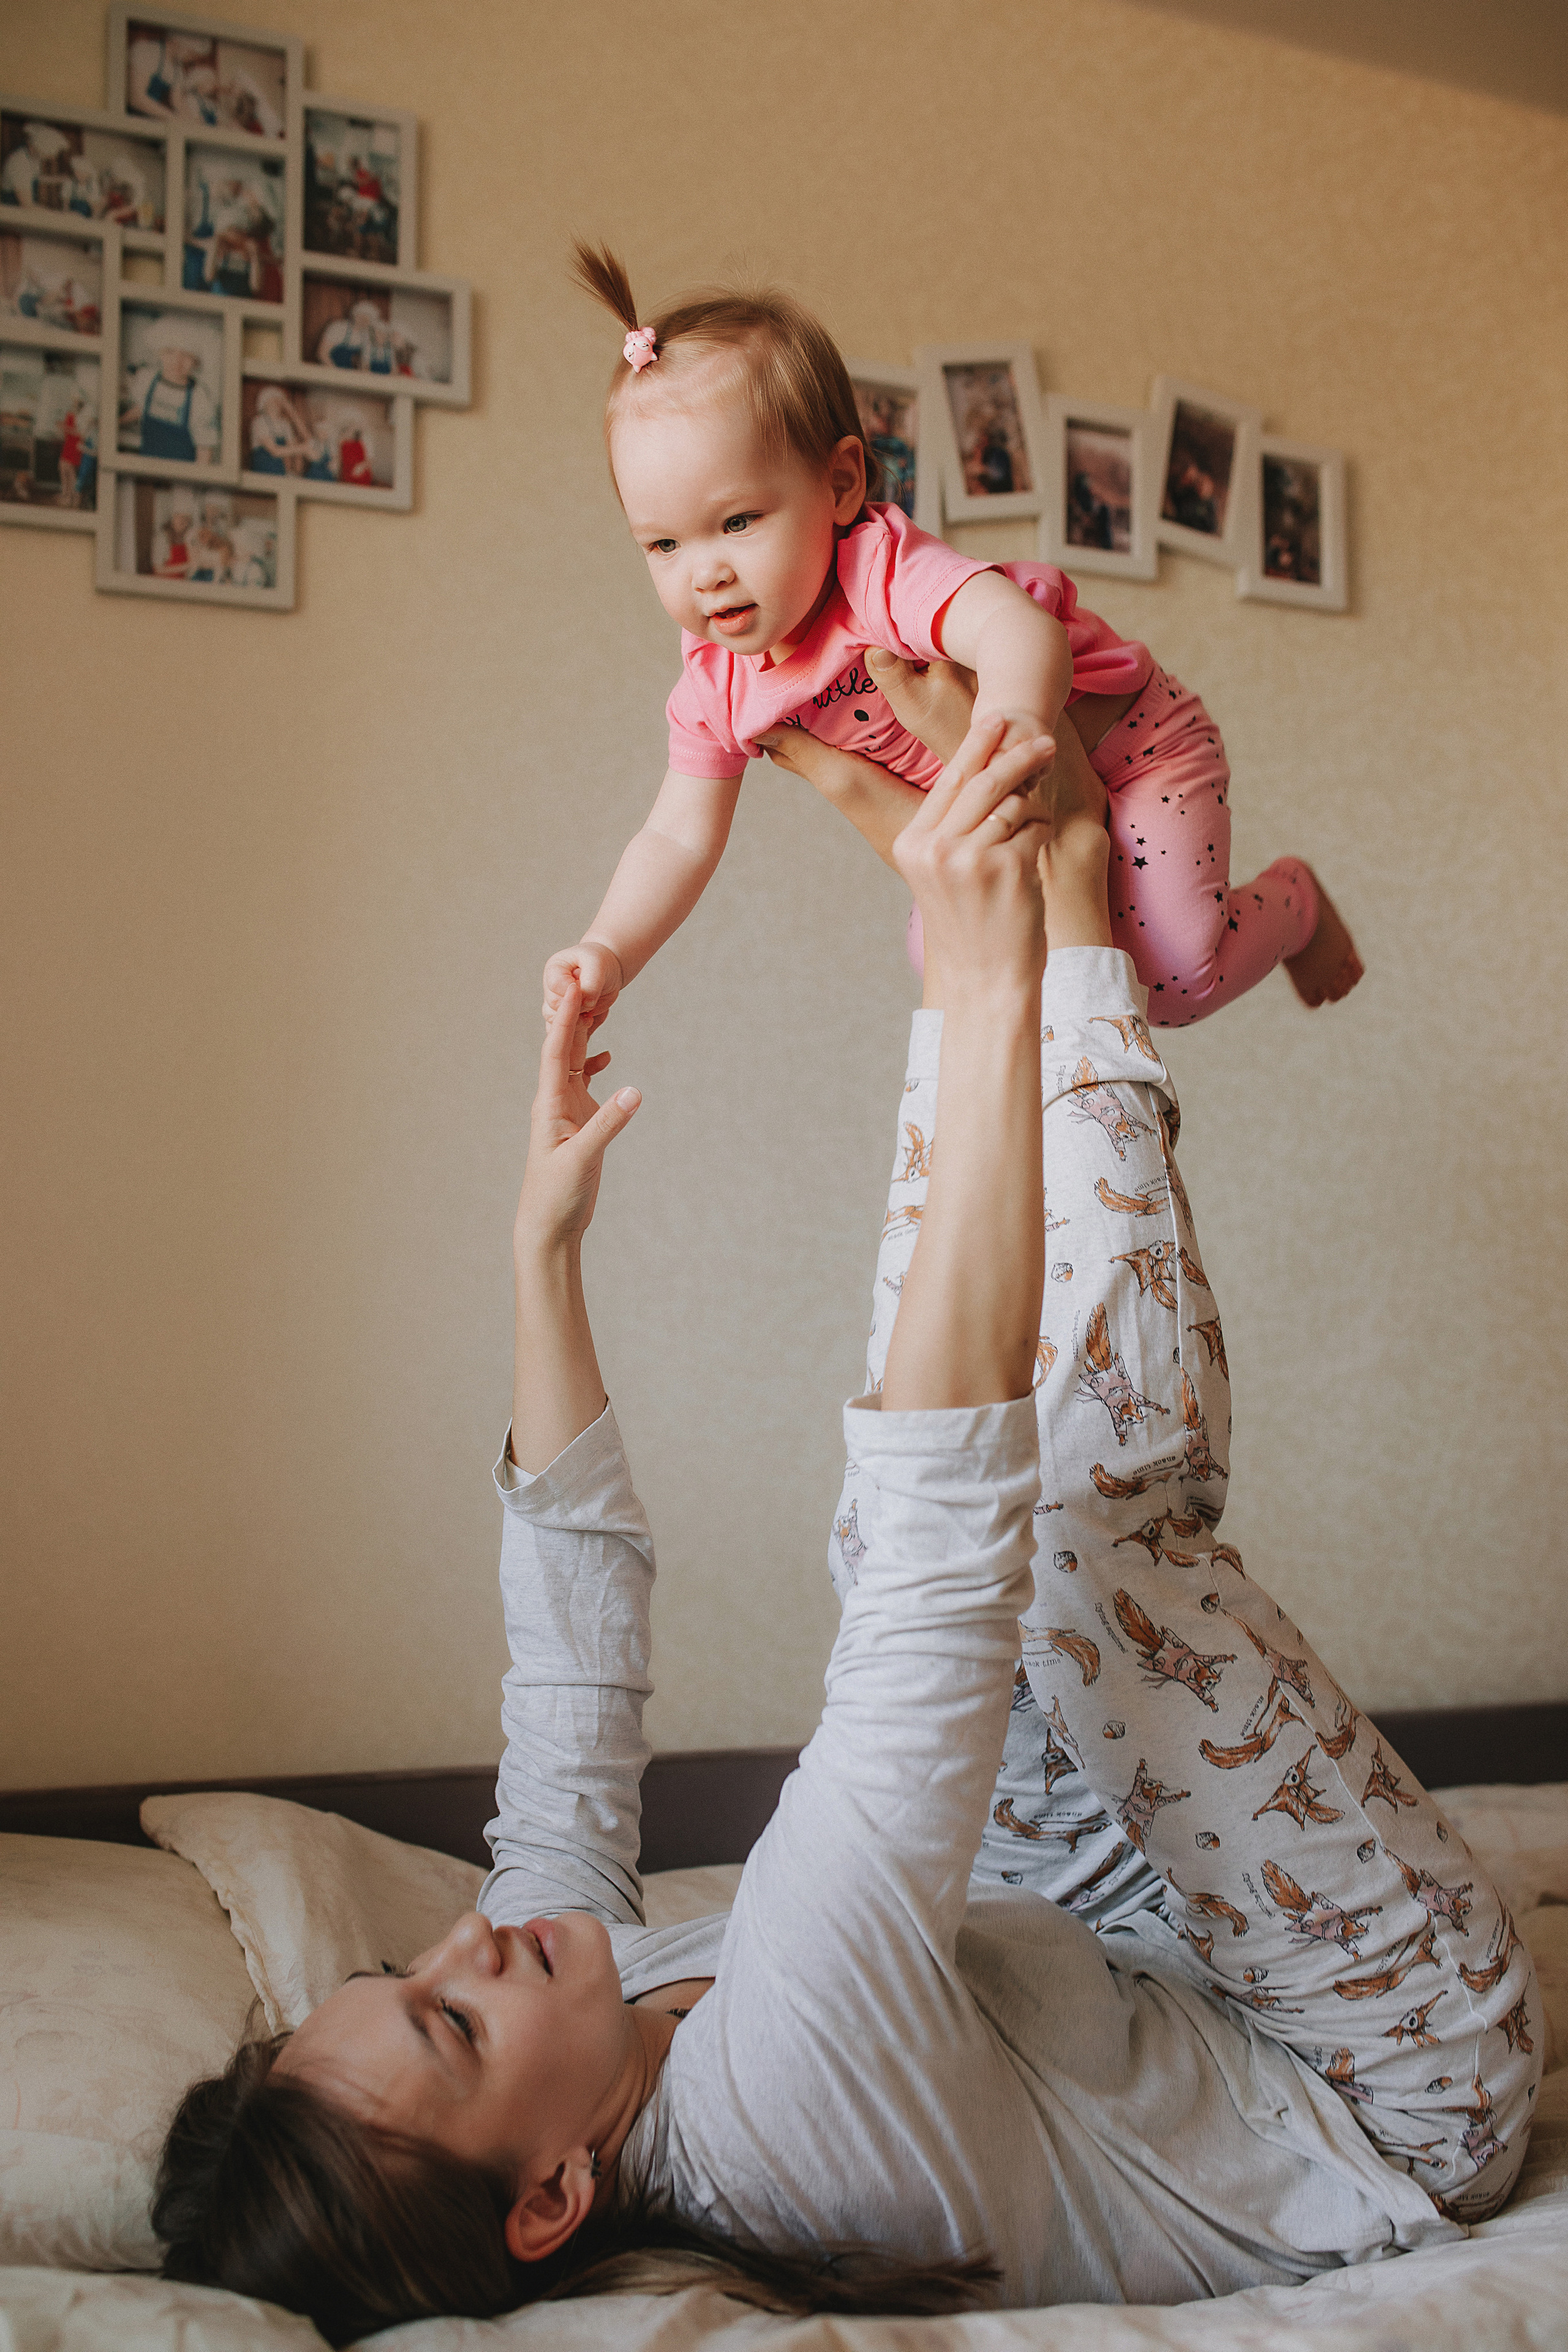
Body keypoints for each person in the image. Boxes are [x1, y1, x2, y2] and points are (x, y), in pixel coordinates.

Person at [153, 691, 1537, 2342]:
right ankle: (1058, 904)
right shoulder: (773, 2104)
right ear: (550, 2202)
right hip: (1380, 2080)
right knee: (1062, 1557)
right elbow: (934, 1608)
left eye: (405, 1977)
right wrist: (1003, 995)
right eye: (450, 2025)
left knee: (924, 1547)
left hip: (1106, 1964)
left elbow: (571, 1673)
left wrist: (540, 1251)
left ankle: (1005, 890)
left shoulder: (572, 2010)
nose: (467, 1941)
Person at [543, 249, 1363, 1052]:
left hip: (1131, 749)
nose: (705, 574)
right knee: (944, 961)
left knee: (1179, 977)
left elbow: (1016, 630)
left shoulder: (880, 575)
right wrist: (610, 950)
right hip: (1004, 813)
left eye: (737, 522)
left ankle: (1294, 904)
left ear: (840, 486)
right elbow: (677, 838)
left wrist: (1006, 725)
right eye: (662, 546)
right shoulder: (714, 684)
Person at [119, 339, 220, 464]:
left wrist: (197, 480)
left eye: (187, 355)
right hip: (147, 465)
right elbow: (141, 409)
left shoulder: (200, 397)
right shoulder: (150, 381)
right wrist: (117, 422)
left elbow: (205, 446)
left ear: (196, 362)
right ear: (161, 354)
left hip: (182, 473)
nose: (177, 361)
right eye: (171, 352)